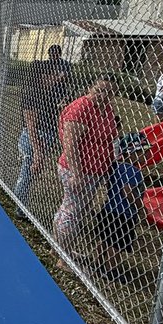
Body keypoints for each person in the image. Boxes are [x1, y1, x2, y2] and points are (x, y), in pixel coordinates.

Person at [53, 74, 119, 258]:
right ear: (90, 88)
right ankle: (62, 257)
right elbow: (70, 143)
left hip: (95, 171)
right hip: (79, 170)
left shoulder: (106, 109)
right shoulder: (81, 108)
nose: (103, 95)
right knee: (71, 212)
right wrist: (77, 174)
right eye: (99, 90)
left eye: (109, 92)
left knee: (75, 210)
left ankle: (58, 249)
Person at [91, 131, 151, 282]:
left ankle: (96, 262)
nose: (147, 155)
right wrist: (140, 207)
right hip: (124, 214)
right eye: (143, 152)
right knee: (116, 245)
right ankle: (110, 270)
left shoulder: (116, 166)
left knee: (104, 239)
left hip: (108, 209)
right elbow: (128, 191)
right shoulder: (133, 170)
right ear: (132, 153)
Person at [13, 62, 61, 201]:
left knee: (29, 174)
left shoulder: (48, 93)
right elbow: (31, 126)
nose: (56, 78)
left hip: (41, 137)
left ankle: (20, 201)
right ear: (43, 76)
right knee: (27, 174)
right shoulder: (32, 94)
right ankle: (20, 206)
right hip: (34, 139)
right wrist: (38, 152)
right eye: (53, 74)